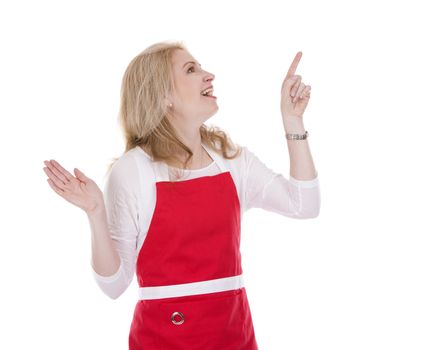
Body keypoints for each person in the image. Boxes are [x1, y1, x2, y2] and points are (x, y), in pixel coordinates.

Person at [42, 40, 320, 349]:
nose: (209, 75)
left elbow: (303, 204)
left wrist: (292, 120)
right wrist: (95, 212)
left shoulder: (232, 160)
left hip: (236, 339)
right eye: (191, 69)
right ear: (163, 98)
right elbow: (114, 284)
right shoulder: (133, 170)